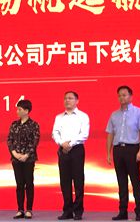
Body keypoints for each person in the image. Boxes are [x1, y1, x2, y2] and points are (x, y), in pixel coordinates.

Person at [106, 86, 140, 221]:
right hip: (118, 150)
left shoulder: (139, 112)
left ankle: (139, 212)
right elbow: (110, 134)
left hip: (132, 149)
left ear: (131, 96)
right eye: (119, 95)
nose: (121, 98)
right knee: (121, 182)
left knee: (135, 181)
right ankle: (122, 212)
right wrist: (108, 153)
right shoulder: (114, 115)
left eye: (124, 95)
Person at [52, 91, 90, 221]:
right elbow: (55, 133)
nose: (67, 100)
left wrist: (70, 144)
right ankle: (67, 211)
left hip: (77, 150)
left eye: (70, 98)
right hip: (63, 150)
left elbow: (84, 134)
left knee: (78, 181)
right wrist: (62, 143)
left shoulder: (83, 116)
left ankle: (78, 211)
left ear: (77, 101)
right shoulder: (59, 117)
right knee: (65, 181)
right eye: (65, 98)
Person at [7, 99, 40, 220]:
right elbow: (9, 140)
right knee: (19, 184)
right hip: (16, 159)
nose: (17, 111)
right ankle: (20, 209)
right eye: (17, 109)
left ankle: (29, 210)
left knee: (29, 183)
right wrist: (14, 153)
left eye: (19, 109)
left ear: (26, 111)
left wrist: (26, 155)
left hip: (28, 159)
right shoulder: (14, 124)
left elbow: (35, 141)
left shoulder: (34, 125)